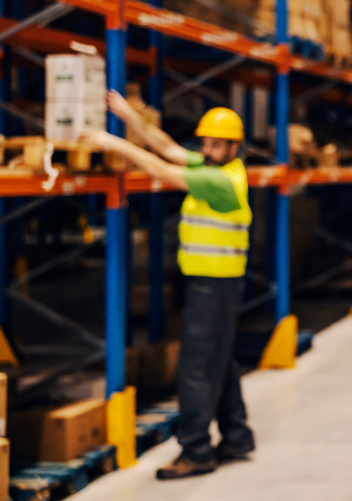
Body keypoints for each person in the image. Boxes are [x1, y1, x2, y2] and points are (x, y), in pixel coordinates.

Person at [82, 96, 256, 480]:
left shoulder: (221, 181)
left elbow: (163, 167)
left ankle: (195, 450)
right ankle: (237, 435)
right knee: (220, 359)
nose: (205, 150)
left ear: (233, 148)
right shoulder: (218, 165)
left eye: (214, 144)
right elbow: (170, 149)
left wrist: (115, 144)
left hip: (213, 284)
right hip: (219, 282)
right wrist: (131, 118)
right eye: (204, 142)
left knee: (195, 366)